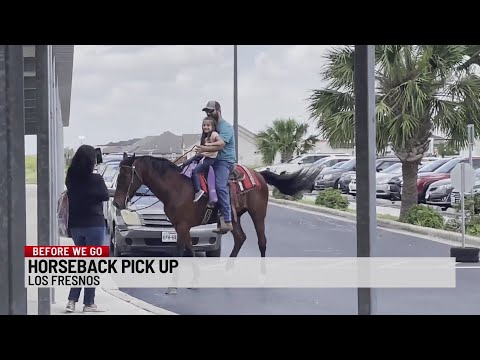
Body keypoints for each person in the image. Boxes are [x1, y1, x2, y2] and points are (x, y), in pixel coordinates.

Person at [64, 144, 109, 313]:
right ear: (92, 161)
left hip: (76, 226)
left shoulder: (70, 177)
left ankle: (71, 301)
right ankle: (88, 303)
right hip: (94, 225)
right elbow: (105, 195)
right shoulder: (96, 179)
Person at [197, 100, 236, 234]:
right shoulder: (210, 126)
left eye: (211, 110)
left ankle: (227, 220)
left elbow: (220, 145)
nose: (209, 113)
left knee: (220, 186)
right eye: (207, 111)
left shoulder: (225, 127)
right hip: (211, 158)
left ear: (218, 111)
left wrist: (203, 148)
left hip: (224, 161)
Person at [183, 116, 222, 202]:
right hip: (203, 155)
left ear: (213, 127)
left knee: (195, 171)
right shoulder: (205, 137)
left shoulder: (214, 134)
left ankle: (198, 190)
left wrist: (209, 145)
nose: (205, 127)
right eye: (204, 125)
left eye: (208, 125)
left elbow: (220, 142)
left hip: (210, 159)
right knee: (186, 163)